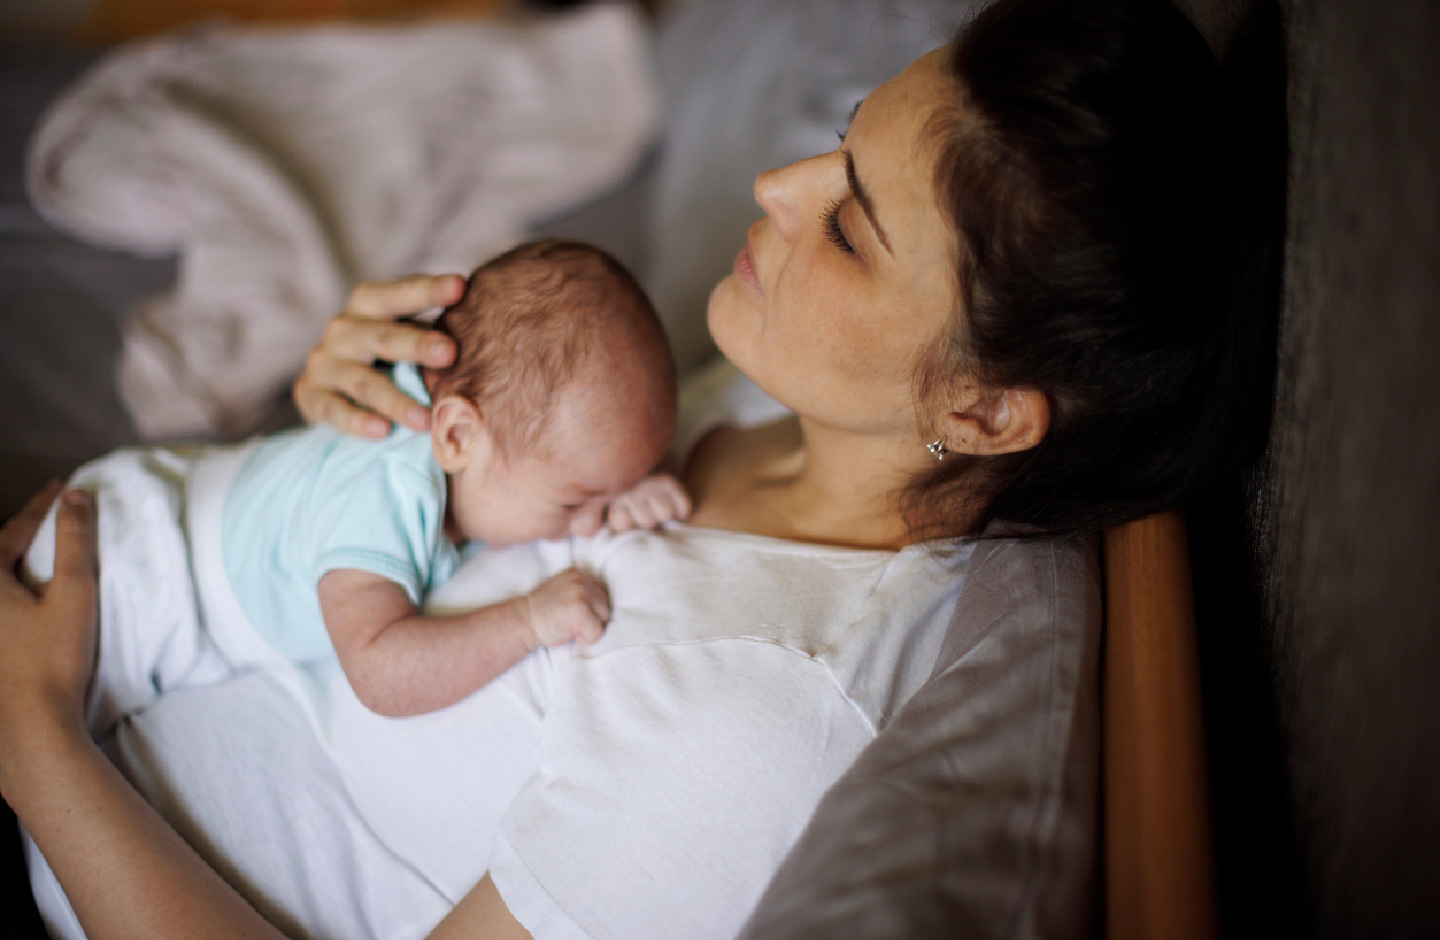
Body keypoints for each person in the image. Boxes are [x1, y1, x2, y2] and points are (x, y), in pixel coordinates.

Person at [0, 1, 1275, 938]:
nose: (776, 189)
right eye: (836, 141)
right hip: (128, 674)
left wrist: (35, 738)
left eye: (847, 225)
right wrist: (369, 408)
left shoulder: (751, 724)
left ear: (986, 409)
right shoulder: (760, 408)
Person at [24, 239, 689, 725]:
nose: (589, 522)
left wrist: (625, 488)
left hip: (161, 501)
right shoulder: (387, 494)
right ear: (457, 436)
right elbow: (380, 672)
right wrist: (526, 619)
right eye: (577, 500)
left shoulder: (484, 436)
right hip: (138, 583)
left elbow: (574, 452)